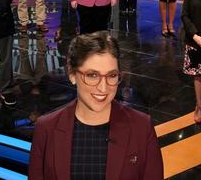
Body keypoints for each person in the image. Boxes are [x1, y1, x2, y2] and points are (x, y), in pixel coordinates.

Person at [28, 31, 163, 180]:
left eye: (112, 75)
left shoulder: (142, 127)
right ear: (72, 74)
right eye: (92, 75)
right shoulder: (46, 128)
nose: (103, 88)